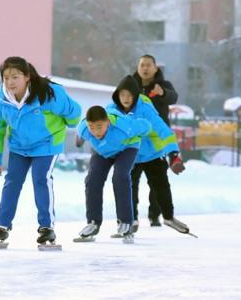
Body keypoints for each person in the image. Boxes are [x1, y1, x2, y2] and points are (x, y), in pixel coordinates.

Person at [0, 56, 82, 246]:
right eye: (6, 78)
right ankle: (2, 226)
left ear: (27, 77)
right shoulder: (1, 99)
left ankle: (46, 227)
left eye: (15, 77)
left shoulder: (49, 93)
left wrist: (69, 120)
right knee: (11, 182)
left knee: (41, 179)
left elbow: (74, 114)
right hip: (19, 146)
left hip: (46, 144)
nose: (10, 82)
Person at [108, 75, 190, 235]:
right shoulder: (112, 110)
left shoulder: (145, 109)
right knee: (127, 186)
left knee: (161, 185)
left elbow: (164, 130)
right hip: (130, 153)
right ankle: (130, 219)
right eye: (122, 95)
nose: (125, 99)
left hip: (153, 152)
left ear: (135, 96)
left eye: (129, 95)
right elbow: (98, 122)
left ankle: (168, 216)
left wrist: (173, 153)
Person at [75, 105, 151, 244]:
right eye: (92, 127)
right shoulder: (84, 128)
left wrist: (137, 124)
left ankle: (126, 221)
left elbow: (146, 126)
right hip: (103, 152)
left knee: (120, 176)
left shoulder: (124, 126)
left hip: (127, 148)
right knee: (92, 179)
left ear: (108, 122)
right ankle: (93, 222)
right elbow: (79, 134)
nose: (95, 131)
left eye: (99, 126)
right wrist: (79, 140)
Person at [132, 54, 184, 227]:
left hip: (156, 139)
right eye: (142, 65)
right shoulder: (130, 85)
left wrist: (163, 94)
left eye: (148, 65)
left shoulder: (163, 85)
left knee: (156, 180)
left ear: (155, 68)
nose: (145, 68)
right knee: (131, 179)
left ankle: (155, 214)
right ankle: (131, 216)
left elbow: (173, 97)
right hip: (135, 138)